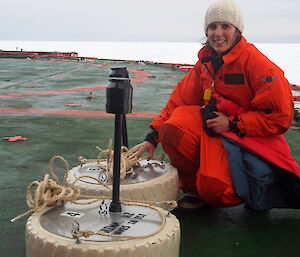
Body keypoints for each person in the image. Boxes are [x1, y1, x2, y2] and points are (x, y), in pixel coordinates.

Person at [138, 0, 300, 211]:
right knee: (175, 126)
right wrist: (153, 136)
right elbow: (180, 100)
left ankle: (258, 189)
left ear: (237, 30)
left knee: (217, 191)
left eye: (226, 26)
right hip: (217, 130)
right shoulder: (205, 63)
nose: (218, 33)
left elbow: (280, 117)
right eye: (212, 27)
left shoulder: (259, 66)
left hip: (252, 139)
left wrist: (233, 123)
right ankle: (193, 190)